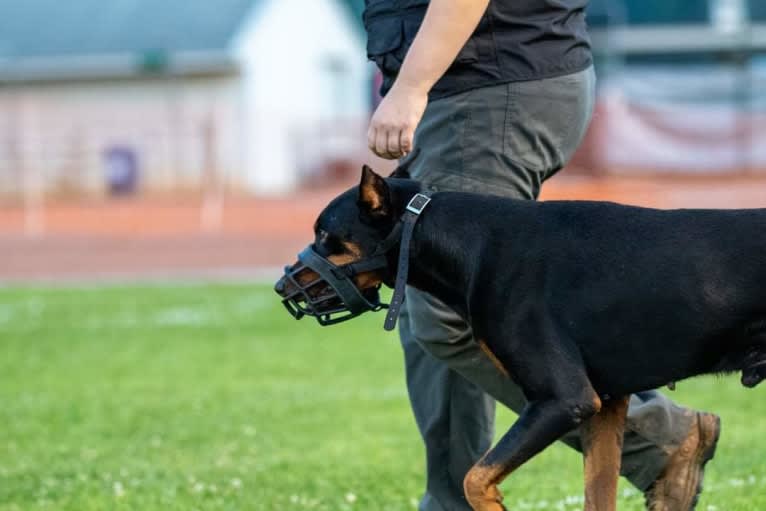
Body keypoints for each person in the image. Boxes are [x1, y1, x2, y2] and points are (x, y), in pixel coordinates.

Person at [362, 1, 721, 510]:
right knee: (431, 291)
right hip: (478, 83)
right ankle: (450, 503)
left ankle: (660, 440)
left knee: (450, 317)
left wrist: (410, 87)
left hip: (485, 86)